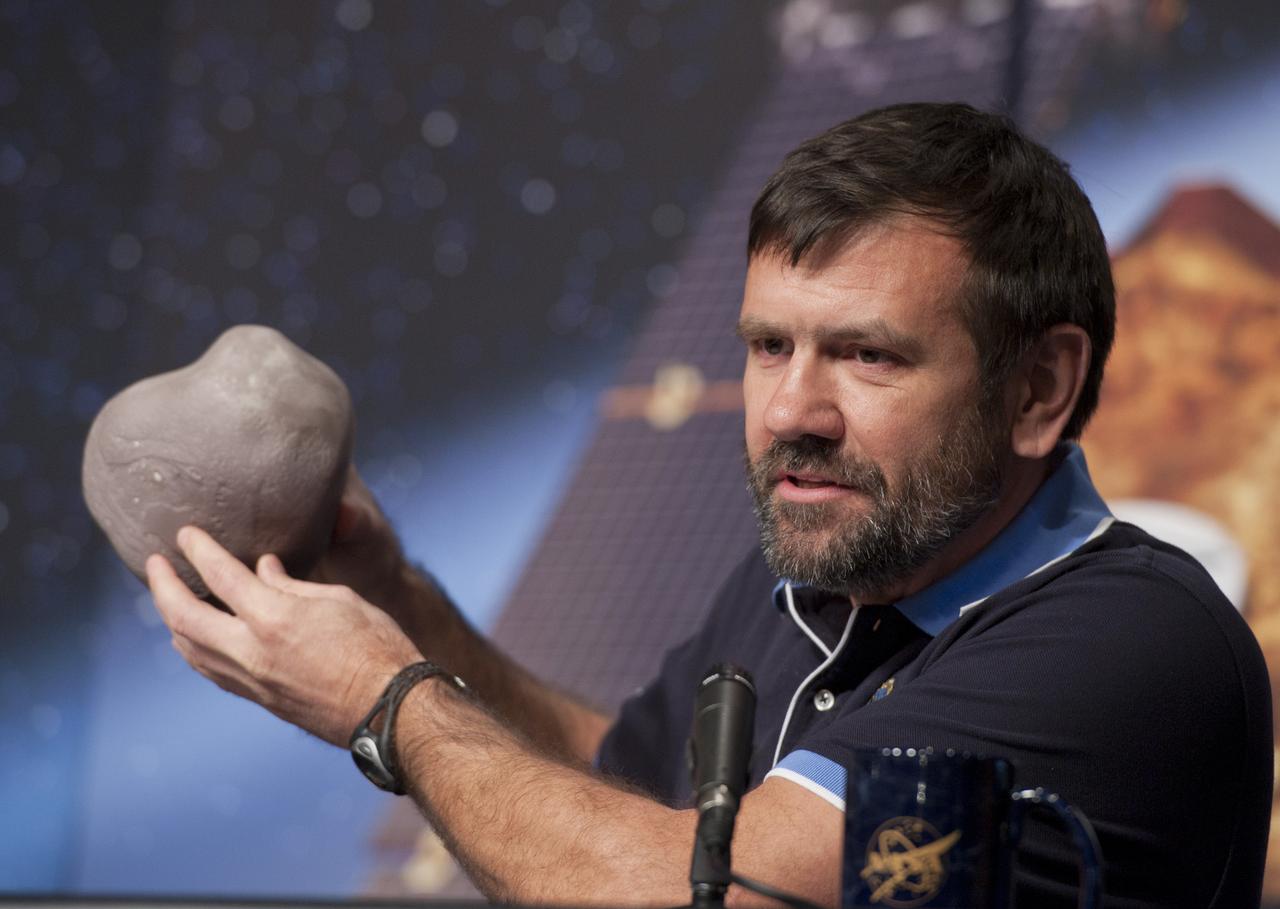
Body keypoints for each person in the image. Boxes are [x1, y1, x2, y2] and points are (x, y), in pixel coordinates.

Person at [146, 103, 1271, 907]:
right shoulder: (824, 567)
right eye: (767, 345)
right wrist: (405, 609)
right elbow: (622, 796)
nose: (791, 409)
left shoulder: (1127, 647)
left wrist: (383, 700)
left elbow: (698, 888)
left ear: (1038, 389)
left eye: (865, 356)